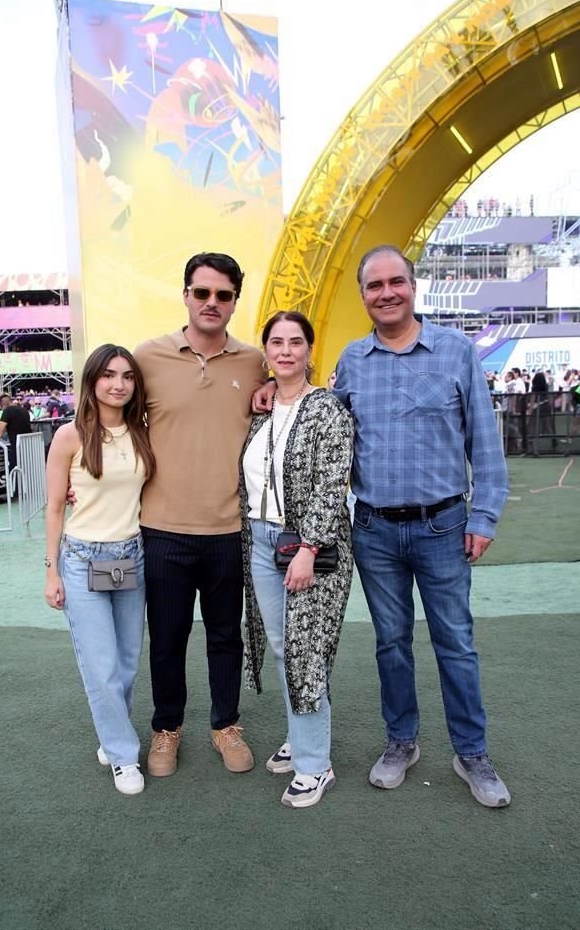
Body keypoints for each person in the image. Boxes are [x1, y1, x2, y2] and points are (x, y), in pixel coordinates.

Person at [333, 244, 511, 809]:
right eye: (373, 286)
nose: (385, 293)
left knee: (455, 643)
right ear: (363, 295)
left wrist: (483, 515)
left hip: (443, 527)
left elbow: (485, 442)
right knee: (391, 643)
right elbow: (326, 428)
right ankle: (401, 741)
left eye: (395, 282)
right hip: (374, 531)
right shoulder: (352, 360)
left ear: (414, 287)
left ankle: (471, 752)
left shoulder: (456, 352)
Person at [133, 252, 266, 778]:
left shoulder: (255, 361)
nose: (212, 303)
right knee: (166, 638)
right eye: (202, 292)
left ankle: (225, 725)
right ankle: (166, 729)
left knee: (224, 636)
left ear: (235, 300)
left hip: (231, 530)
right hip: (162, 528)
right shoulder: (148, 357)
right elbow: (108, 419)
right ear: (185, 294)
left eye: (223, 295)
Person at [241, 311, 353, 808]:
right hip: (262, 543)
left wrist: (308, 549)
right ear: (266, 351)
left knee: (306, 650)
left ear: (310, 350)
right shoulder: (262, 410)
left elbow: (334, 483)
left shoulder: (327, 408)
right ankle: (303, 739)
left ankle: (315, 764)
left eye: (295, 342)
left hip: (312, 548)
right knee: (287, 647)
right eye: (276, 342)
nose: (285, 350)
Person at [44, 344, 155, 795]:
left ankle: (114, 738)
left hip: (130, 556)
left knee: (127, 663)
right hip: (82, 559)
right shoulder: (70, 435)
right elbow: (53, 507)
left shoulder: (142, 431)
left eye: (127, 376)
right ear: (92, 380)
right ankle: (123, 755)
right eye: (109, 375)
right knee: (101, 665)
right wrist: (51, 571)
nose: (118, 384)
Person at [0, 393, 32, 485]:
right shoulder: (24, 410)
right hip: (28, 443)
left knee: (13, 466)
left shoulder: (7, 411)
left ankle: (10, 488)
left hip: (16, 445)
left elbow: (1, 428)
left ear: (3, 405)